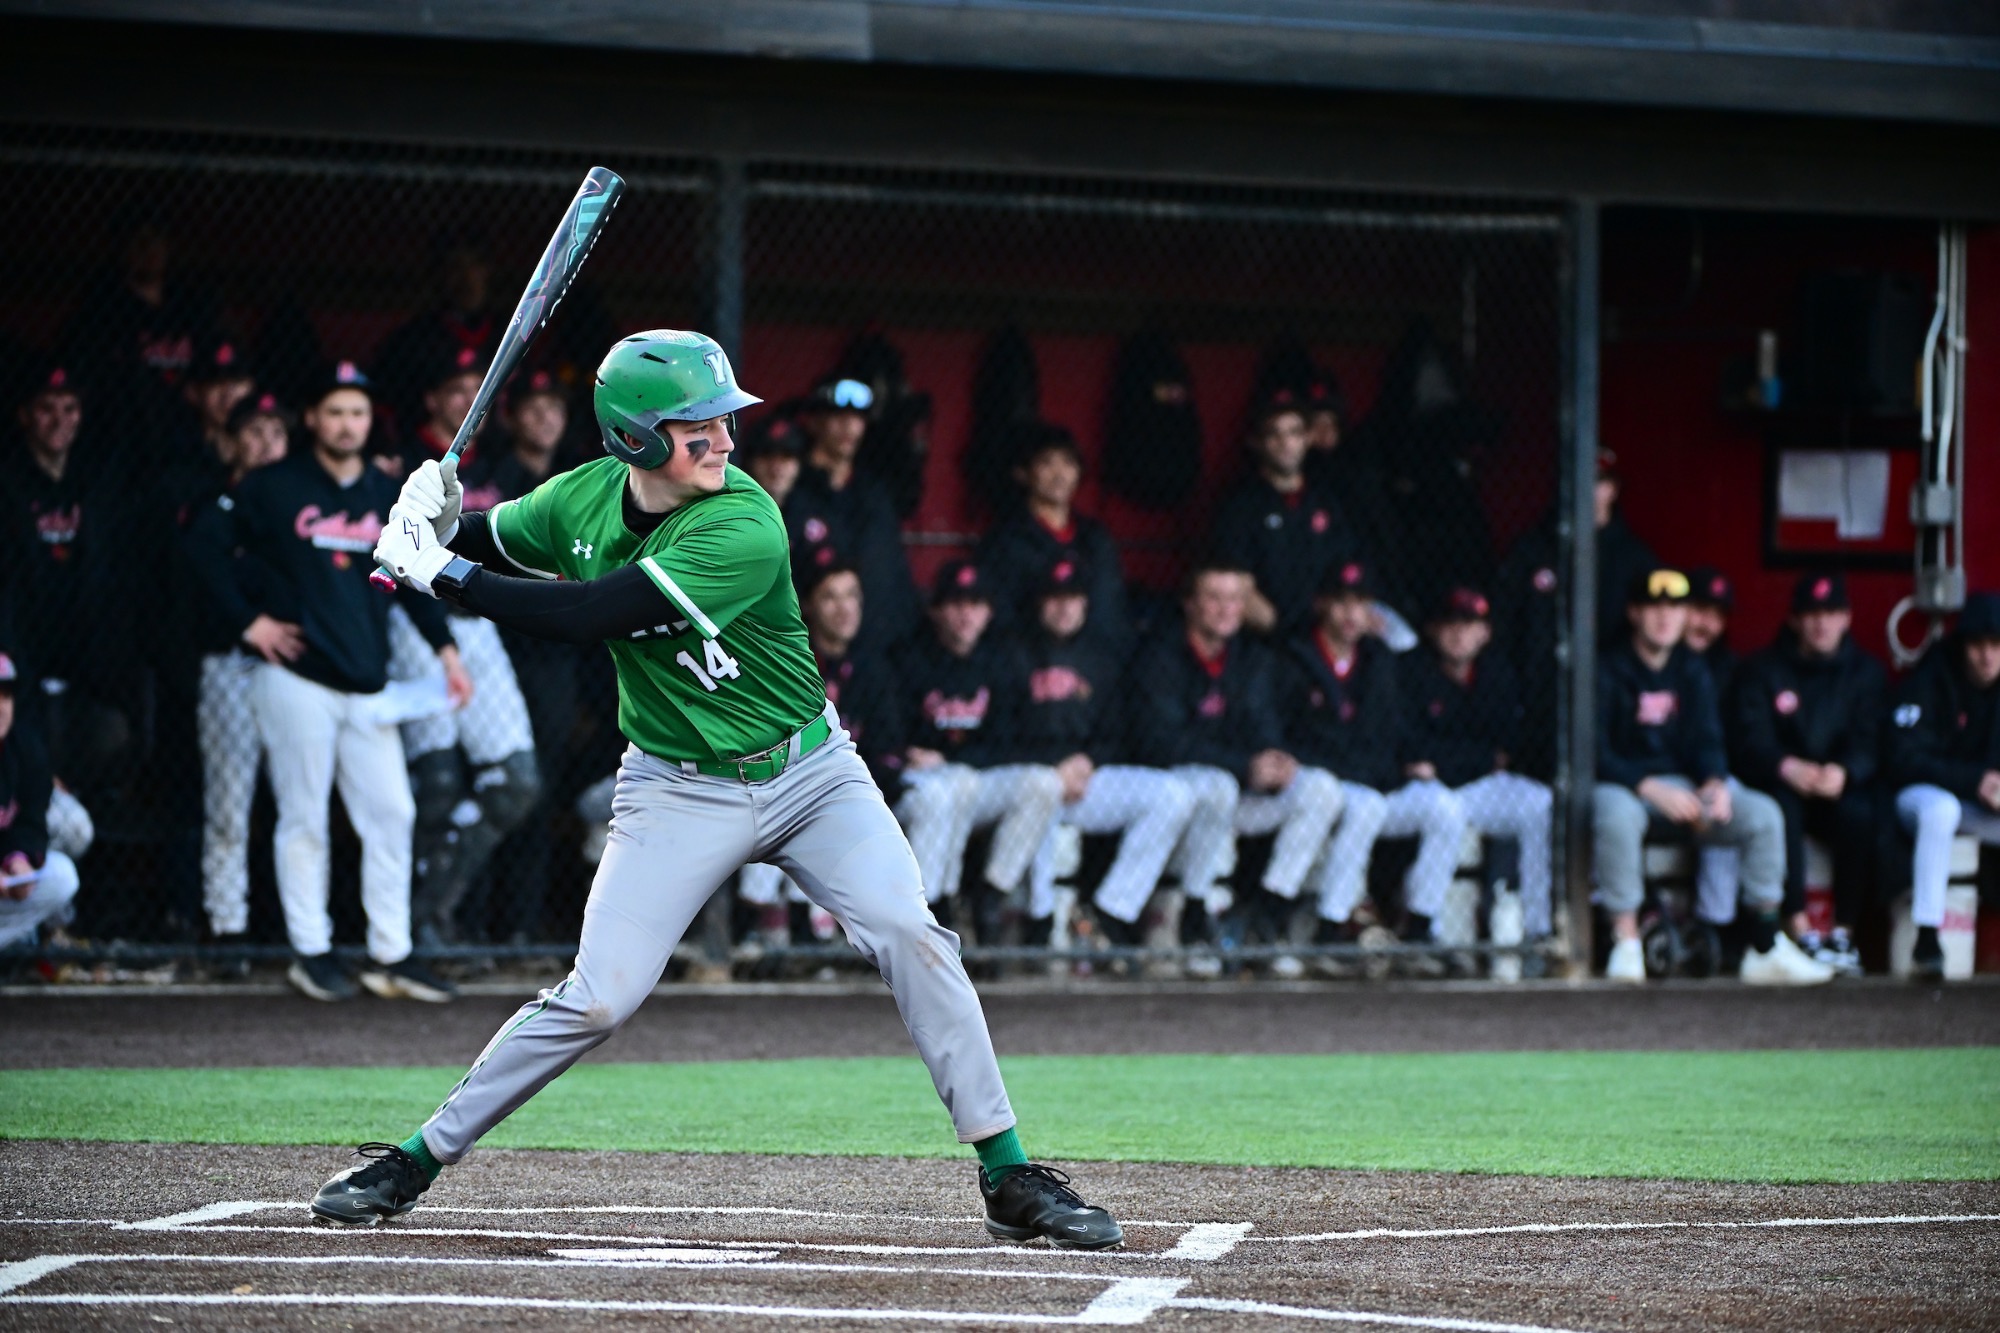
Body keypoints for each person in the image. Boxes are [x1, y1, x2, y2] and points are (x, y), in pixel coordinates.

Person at [329, 329, 1122, 1250]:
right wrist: (433, 522)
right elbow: (491, 541)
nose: (725, 441)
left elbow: (595, 610)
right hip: (674, 788)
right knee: (598, 996)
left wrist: (447, 573)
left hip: (811, 773)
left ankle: (1008, 1170)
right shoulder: (576, 500)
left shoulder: (744, 521)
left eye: (723, 421)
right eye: (697, 426)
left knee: (913, 933)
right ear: (634, 439)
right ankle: (414, 1159)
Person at [190, 360, 469, 1004]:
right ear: (311, 419)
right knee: (304, 814)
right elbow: (201, 548)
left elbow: (414, 575)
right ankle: (310, 951)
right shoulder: (270, 486)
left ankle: (390, 955)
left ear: (371, 423)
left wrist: (448, 652)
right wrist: (248, 622)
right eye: (335, 411)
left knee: (392, 812)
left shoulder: (384, 493)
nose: (348, 423)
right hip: (295, 678)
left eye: (359, 412)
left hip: (367, 684)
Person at [1593, 568, 1829, 986]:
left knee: (1761, 814)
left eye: (1675, 608)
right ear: (1634, 613)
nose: (1665, 617)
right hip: (1626, 787)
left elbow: (1707, 739)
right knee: (1616, 813)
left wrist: (1714, 782)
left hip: (1682, 790)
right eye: (1654, 607)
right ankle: (1625, 941)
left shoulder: (1692, 669)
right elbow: (1593, 752)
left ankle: (1764, 946)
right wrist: (1647, 785)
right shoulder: (1608, 667)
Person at [385, 347, 540, 948]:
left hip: (481, 621)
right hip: (419, 623)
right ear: (432, 399)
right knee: (438, 784)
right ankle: (409, 928)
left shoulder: (499, 465)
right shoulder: (403, 461)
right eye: (454, 389)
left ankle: (430, 907)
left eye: (475, 389)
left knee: (517, 783)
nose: (465, 400)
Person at [1126, 563, 1343, 971]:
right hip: (1185, 797)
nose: (1226, 609)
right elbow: (1160, 744)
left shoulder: (1252, 659)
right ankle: (1194, 916)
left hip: (1242, 795)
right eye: (1214, 598)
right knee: (1217, 785)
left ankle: (1269, 912)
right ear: (1190, 605)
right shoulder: (1160, 655)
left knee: (1320, 788)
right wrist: (1244, 766)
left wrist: (1274, 760)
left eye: (1234, 599)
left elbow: (1264, 727)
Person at [1280, 563, 1465, 949]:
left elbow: (1391, 732)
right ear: (1321, 605)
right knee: (1365, 806)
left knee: (1445, 808)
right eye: (1341, 603)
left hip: (1377, 780)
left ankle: (1418, 926)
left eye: (1361, 603)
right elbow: (1298, 742)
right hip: (1329, 785)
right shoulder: (1294, 656)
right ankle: (1332, 929)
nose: (1351, 615)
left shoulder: (1379, 658)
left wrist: (1414, 764)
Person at [1014, 560, 1192, 947]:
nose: (1064, 608)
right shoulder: (1012, 655)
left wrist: (1087, 762)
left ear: (1085, 604)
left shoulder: (1104, 658)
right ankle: (1040, 926)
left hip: (1088, 782)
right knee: (1038, 794)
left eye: (1073, 599)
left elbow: (1120, 733)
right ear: (1040, 604)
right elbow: (998, 732)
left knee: (1171, 794)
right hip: (1028, 781)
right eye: (1055, 599)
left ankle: (1111, 911)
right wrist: (1050, 768)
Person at [891, 560, 1064, 934]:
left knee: (1044, 782)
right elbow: (894, 737)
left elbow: (1014, 745)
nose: (966, 615)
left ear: (988, 613)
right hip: (922, 785)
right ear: (936, 610)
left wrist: (952, 756)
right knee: (951, 786)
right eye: (955, 604)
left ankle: (991, 892)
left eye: (975, 605)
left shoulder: (1000, 664)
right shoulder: (908, 658)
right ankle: (928, 908)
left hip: (973, 779)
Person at [178, 392, 292, 947]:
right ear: (230, 441)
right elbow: (201, 566)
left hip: (297, 672)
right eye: (254, 431)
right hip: (230, 665)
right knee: (230, 802)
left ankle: (289, 927)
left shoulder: (301, 503)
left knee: (295, 805)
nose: (267, 442)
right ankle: (228, 926)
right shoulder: (218, 504)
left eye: (276, 431)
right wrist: (248, 621)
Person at [1728, 573, 1884, 975]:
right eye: (1812, 614)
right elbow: (1748, 740)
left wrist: (1846, 771)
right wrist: (1786, 765)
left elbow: (1874, 742)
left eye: (1831, 613)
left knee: (1861, 812)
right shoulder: (1763, 670)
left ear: (1846, 618)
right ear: (1795, 620)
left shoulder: (1865, 673)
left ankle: (1843, 934)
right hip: (1784, 784)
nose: (1821, 623)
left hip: (1838, 790)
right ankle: (1799, 931)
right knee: (1780, 808)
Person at [0, 361, 141, 795]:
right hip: (22, 639)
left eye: (69, 408)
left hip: (84, 646)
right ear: (24, 415)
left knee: (107, 735)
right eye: (47, 408)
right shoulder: (8, 482)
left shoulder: (94, 481)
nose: (59, 420)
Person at [1399, 587, 1554, 940]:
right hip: (1428, 791)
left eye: (1469, 625)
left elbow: (1505, 748)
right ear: (1433, 630)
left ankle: (1538, 927)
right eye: (1450, 624)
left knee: (1539, 803)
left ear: (1485, 632)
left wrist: (1451, 761)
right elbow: (1411, 748)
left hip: (1476, 787)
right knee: (1444, 811)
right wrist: (1476, 759)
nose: (1458, 634)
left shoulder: (1496, 674)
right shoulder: (1411, 671)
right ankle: (1426, 931)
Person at [1493, 448, 1657, 781]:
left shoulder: (1635, 560)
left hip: (1612, 704)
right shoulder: (1533, 549)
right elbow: (1505, 626)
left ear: (1612, 489)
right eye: (1578, 480)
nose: (1587, 490)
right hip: (1540, 701)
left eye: (1597, 481)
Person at [1886, 590, 2000, 983]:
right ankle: (1928, 938)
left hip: (1981, 809)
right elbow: (1902, 760)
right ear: (1963, 644)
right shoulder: (1933, 677)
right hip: (1916, 800)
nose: (1987, 656)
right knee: (1942, 810)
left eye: (1997, 645)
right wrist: (1973, 781)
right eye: (1979, 645)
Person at [786, 375, 919, 652]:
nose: (849, 427)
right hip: (812, 650)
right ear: (814, 422)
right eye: (837, 416)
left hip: (878, 649)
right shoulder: (793, 492)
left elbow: (894, 572)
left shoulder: (874, 492)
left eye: (857, 418)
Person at [1209, 396, 1360, 638]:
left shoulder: (1326, 501)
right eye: (1274, 434)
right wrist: (1278, 631)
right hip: (1264, 639)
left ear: (1308, 438)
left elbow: (1345, 564)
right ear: (1257, 442)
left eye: (1294, 433)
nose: (1285, 443)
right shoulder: (1239, 504)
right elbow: (1235, 578)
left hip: (1322, 636)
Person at [974, 424, 1130, 651]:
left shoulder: (1096, 538)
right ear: (1022, 473)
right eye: (1047, 463)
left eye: (1068, 463)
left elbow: (1110, 613)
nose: (1059, 474)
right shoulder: (1003, 540)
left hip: (1092, 666)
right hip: (1029, 667)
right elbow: (998, 619)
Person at [0, 652, 82, 958]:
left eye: (6, 696)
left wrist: (17, 858)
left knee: (61, 876)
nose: (0, 707)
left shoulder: (24, 749)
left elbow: (31, 820)